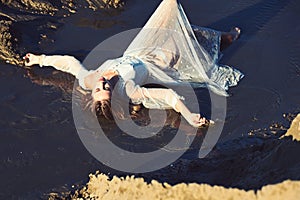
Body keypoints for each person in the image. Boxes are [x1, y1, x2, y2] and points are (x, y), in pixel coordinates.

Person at [23, 0, 243, 127]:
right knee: (184, 36)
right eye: (106, 89)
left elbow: (70, 64)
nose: (103, 84)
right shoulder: (129, 90)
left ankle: (218, 40)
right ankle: (226, 39)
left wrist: (39, 59)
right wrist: (188, 115)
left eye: (99, 89)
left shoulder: (88, 81)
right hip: (162, 61)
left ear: (92, 93)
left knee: (170, 7)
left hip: (141, 47)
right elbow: (167, 97)